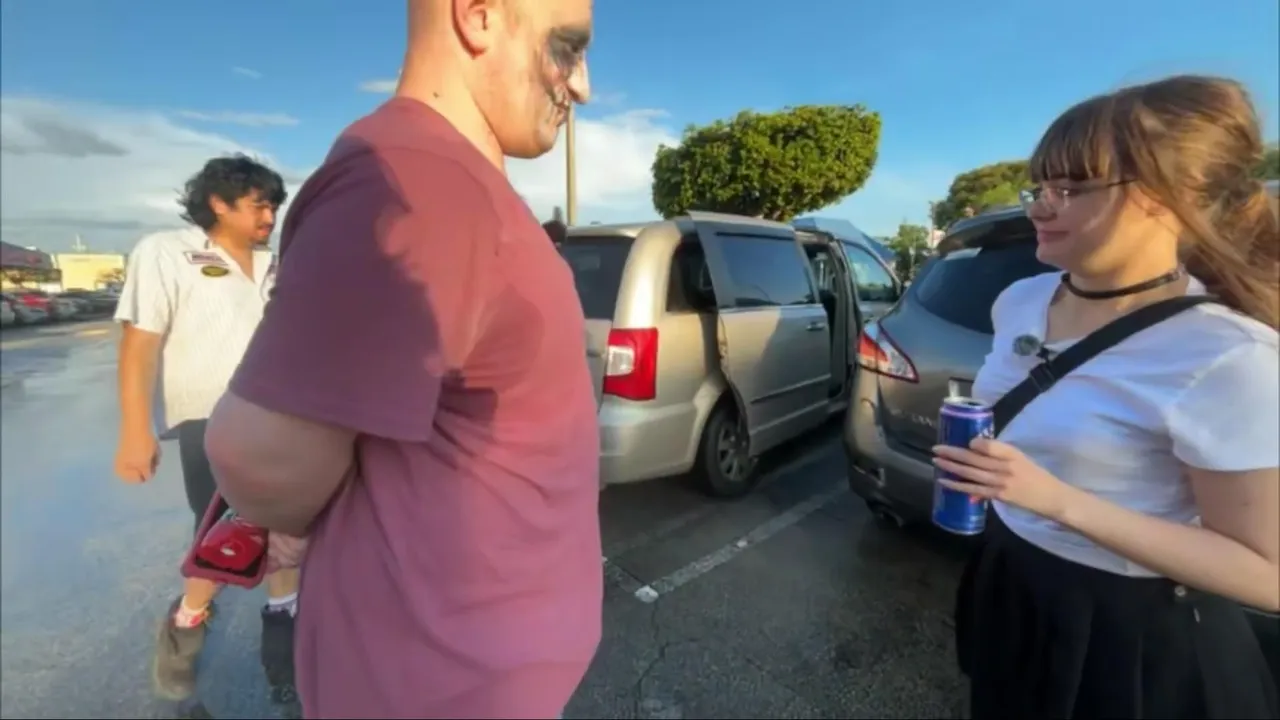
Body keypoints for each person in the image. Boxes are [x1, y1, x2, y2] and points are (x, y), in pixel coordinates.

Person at [204, 0, 601, 717]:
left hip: (476, 675)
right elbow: (259, 458)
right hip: (438, 686)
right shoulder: (418, 178)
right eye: (567, 48)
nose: (582, 86)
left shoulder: (451, 178)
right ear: (478, 16)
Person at [937, 74, 1279, 719]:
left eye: (1069, 189)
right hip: (1011, 582)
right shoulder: (1021, 300)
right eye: (1039, 187)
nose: (1039, 207)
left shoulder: (1227, 353)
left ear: (1166, 199)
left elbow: (1267, 573)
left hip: (1129, 631)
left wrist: (1056, 499)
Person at [112, 154, 298, 704]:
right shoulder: (166, 252)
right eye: (258, 205)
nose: (270, 217)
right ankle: (185, 628)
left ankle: (284, 652)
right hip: (210, 420)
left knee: (289, 532)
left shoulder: (278, 262)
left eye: (274, 206)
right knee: (226, 537)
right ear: (218, 203)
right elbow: (140, 345)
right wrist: (135, 431)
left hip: (285, 420)